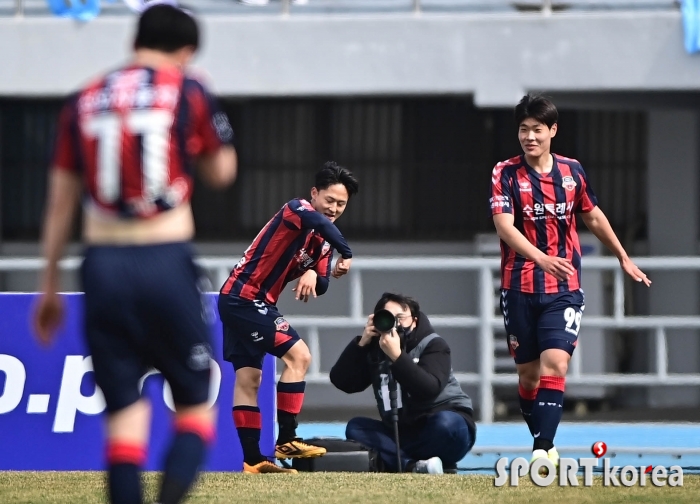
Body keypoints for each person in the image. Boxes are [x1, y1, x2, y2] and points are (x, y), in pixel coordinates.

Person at [32, 5, 237, 504]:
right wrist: (210, 106)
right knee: (194, 408)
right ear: (186, 52)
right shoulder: (188, 90)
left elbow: (60, 203)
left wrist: (51, 285)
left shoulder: (82, 99)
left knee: (123, 418)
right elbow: (221, 173)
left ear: (134, 39)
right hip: (164, 257)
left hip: (102, 264)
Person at [490, 93, 651, 470]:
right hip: (519, 288)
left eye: (537, 130)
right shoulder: (505, 172)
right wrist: (541, 258)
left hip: (564, 289)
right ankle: (542, 440)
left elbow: (593, 217)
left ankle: (543, 449)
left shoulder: (572, 172)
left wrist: (623, 257)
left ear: (553, 131)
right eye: (523, 130)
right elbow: (503, 226)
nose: (530, 137)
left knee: (556, 364)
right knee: (528, 378)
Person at [218, 162, 358, 474]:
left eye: (342, 204)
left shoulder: (322, 244)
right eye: (330, 200)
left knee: (249, 379)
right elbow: (323, 226)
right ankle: (288, 438)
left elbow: (321, 284)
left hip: (253, 303)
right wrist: (347, 254)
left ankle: (253, 461)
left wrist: (313, 270)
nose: (334, 209)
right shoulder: (297, 210)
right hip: (243, 297)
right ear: (314, 194)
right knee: (300, 356)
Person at [329, 293, 476, 474]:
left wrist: (397, 357)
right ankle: (411, 466)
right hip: (403, 432)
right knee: (356, 427)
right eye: (388, 318)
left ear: (414, 321)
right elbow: (343, 381)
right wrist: (361, 344)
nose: (395, 324)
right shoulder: (376, 351)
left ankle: (394, 458)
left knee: (446, 425)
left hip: (444, 425)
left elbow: (428, 388)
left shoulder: (434, 345)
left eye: (400, 318)